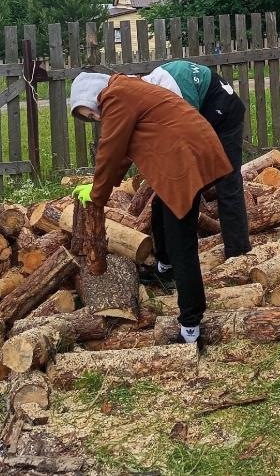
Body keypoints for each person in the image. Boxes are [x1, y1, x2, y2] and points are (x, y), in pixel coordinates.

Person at [69, 71, 231, 345]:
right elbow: (121, 151)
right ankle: (164, 267)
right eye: (89, 118)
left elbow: (110, 150)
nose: (95, 118)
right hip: (190, 149)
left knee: (182, 242)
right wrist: (100, 187)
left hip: (184, 158)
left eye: (91, 113)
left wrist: (98, 195)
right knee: (159, 210)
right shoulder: (126, 89)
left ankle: (190, 326)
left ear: (91, 95)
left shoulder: (116, 96)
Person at [142, 59, 250, 275]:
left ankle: (238, 255)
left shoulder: (176, 91)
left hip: (225, 116)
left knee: (227, 185)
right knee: (166, 198)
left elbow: (189, 136)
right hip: (202, 113)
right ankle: (166, 264)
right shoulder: (149, 91)